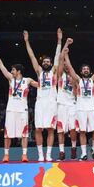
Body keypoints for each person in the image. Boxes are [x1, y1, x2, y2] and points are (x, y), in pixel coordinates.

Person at [0, 45, 38, 162]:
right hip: (11, 110)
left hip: (23, 110)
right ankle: (6, 155)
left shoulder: (27, 80)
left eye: (13, 69)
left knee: (24, 134)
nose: (11, 71)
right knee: (7, 133)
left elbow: (40, 85)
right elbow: (0, 66)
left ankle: (24, 155)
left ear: (18, 71)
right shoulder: (10, 79)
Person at [64, 40, 94, 160]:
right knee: (82, 131)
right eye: (84, 69)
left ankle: (93, 148)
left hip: (92, 108)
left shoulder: (93, 79)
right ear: (81, 72)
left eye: (87, 69)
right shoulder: (78, 80)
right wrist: (66, 54)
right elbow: (70, 68)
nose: (86, 70)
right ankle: (83, 153)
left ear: (89, 71)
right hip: (81, 108)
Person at [24, 29, 61, 162]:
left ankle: (48, 154)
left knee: (51, 129)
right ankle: (40, 154)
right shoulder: (39, 72)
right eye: (44, 61)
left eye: (48, 62)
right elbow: (32, 57)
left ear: (51, 64)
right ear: (42, 63)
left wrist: (59, 41)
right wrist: (27, 41)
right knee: (38, 129)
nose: (46, 63)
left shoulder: (54, 72)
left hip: (51, 102)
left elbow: (57, 56)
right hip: (40, 102)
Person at [56, 38, 78, 160]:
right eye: (63, 64)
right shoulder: (60, 75)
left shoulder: (74, 77)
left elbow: (76, 93)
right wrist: (66, 44)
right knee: (60, 130)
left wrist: (73, 83)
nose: (64, 65)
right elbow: (60, 58)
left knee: (73, 128)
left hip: (72, 104)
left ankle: (74, 148)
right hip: (61, 104)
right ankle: (61, 152)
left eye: (66, 64)